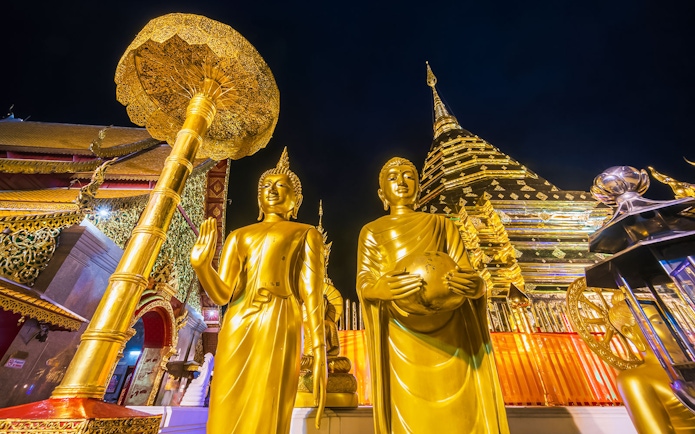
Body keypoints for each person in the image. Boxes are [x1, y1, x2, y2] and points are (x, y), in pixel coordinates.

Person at [356, 156, 509, 434]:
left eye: (408, 176)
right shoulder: (372, 231)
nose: (401, 182)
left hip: (450, 326)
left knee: (463, 411)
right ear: (382, 194)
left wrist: (475, 287)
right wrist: (379, 289)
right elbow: (365, 281)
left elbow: (467, 270)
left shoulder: (442, 224)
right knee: (408, 410)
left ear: (419, 186)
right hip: (401, 331)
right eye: (392, 177)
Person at [191, 148, 327, 433]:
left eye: (282, 186)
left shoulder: (305, 233)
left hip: (280, 316)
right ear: (258, 197)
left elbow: (313, 295)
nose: (272, 190)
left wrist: (319, 348)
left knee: (269, 396)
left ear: (296, 200)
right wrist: (203, 266)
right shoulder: (238, 235)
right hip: (239, 320)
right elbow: (222, 294)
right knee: (226, 397)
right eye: (266, 186)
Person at [607, 291, 695, 434]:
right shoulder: (635, 379)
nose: (671, 328)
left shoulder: (690, 366)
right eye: (658, 322)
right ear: (629, 332)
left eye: (670, 321)